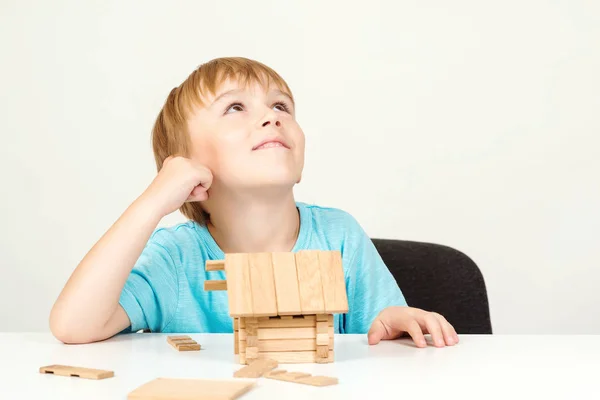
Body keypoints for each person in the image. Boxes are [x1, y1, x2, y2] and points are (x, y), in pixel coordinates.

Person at [49, 57, 459, 349]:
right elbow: (73, 325)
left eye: (280, 105)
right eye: (235, 107)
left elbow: (383, 334)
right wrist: (153, 200)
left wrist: (395, 324)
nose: (272, 117)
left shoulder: (340, 236)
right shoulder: (176, 258)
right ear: (185, 162)